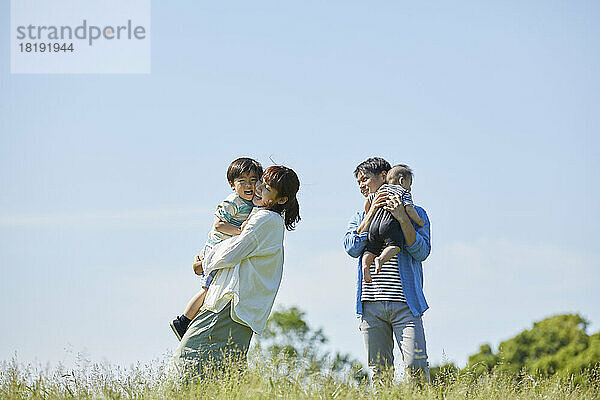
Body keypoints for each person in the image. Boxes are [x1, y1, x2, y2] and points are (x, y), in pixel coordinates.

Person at [166, 165, 301, 381]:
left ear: (281, 199)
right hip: (240, 309)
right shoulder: (264, 218)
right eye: (260, 183)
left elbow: (232, 252)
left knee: (185, 365)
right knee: (225, 375)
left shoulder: (265, 219)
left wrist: (204, 261)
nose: (257, 189)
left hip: (228, 305)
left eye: (266, 188)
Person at [343, 157, 431, 383]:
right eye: (358, 183)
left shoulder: (417, 213)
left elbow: (421, 252)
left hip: (405, 304)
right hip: (371, 304)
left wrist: (402, 218)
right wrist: (371, 213)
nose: (362, 186)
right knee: (379, 373)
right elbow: (352, 248)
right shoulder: (360, 215)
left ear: (384, 176)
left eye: (366, 180)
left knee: (416, 365)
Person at [170, 157, 263, 340]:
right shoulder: (233, 201)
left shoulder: (252, 202)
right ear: (232, 184)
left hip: (223, 251)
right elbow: (219, 224)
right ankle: (183, 321)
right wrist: (240, 232)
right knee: (208, 289)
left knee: (212, 289)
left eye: (253, 181)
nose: (248, 186)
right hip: (214, 249)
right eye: (242, 181)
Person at [361, 164, 425, 283]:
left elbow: (368, 201)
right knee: (394, 246)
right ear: (402, 181)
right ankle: (380, 259)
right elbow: (410, 210)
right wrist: (418, 221)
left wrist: (369, 213)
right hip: (388, 225)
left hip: (374, 225)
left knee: (370, 249)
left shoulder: (381, 191)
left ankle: (365, 265)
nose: (410, 189)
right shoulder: (403, 192)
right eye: (409, 185)